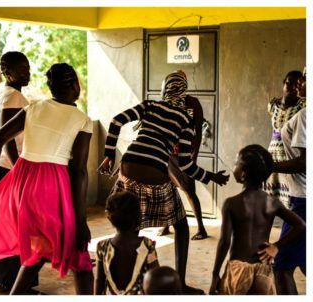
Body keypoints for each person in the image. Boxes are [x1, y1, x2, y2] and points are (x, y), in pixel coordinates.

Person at [99, 70, 230, 293]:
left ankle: (125, 279)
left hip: (128, 166)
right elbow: (186, 165)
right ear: (183, 92)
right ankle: (180, 281)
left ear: (165, 89)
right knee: (180, 224)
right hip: (155, 171)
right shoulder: (185, 120)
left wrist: (110, 154)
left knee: (131, 224)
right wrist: (211, 177)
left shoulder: (150, 105)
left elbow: (116, 121)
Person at [0, 63, 94, 295]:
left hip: (22, 183)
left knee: (37, 252)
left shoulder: (34, 108)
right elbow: (78, 171)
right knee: (80, 258)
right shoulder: (81, 119)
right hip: (51, 186)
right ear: (73, 85)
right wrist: (81, 222)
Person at [0, 51, 37, 293]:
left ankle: (1, 279)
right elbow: (7, 139)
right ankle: (9, 283)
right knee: (16, 228)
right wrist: (19, 170)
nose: (27, 73)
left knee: (5, 226)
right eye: (21, 69)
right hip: (11, 168)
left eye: (28, 68)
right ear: (6, 71)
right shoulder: (13, 96)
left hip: (3, 167)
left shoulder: (4, 93)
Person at [210, 145, 306, 295]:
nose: (234, 167)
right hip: (263, 270)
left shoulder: (231, 203)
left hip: (238, 270)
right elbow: (301, 225)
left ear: (243, 174)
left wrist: (215, 274)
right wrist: (276, 246)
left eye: (237, 164)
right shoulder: (272, 202)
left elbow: (224, 241)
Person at [269, 68, 306, 295]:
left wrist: (268, 166)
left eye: (305, 78)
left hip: (303, 196)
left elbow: (304, 162)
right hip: (300, 193)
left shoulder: (304, 114)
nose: (300, 83)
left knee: (282, 266)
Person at [163, 94, 210, 240]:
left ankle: (201, 229)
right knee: (168, 189)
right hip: (169, 153)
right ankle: (166, 224)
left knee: (189, 191)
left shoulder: (193, 103)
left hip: (184, 154)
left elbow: (198, 131)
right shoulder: (166, 101)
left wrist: (193, 157)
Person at [95, 192, 160, 295]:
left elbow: (99, 281)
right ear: (139, 217)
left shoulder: (102, 246)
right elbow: (156, 278)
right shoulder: (147, 245)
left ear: (109, 218)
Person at [264, 71, 305, 209]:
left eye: (296, 84)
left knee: (288, 201)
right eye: (289, 83)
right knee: (270, 201)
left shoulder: (302, 106)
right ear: (283, 83)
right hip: (273, 153)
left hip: (288, 155)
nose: (292, 87)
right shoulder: (272, 105)